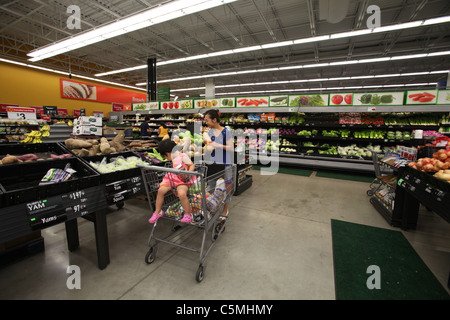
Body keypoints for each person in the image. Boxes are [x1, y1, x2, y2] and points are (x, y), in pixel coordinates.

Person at [149, 139, 196, 224]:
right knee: (160, 191)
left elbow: (192, 165)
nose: (166, 159)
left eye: (165, 157)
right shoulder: (174, 157)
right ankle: (157, 211)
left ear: (167, 153)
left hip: (183, 179)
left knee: (182, 194)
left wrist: (188, 173)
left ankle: (187, 214)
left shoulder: (183, 156)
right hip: (173, 178)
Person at [203, 109, 234, 222]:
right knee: (211, 187)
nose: (206, 122)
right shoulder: (209, 132)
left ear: (214, 119)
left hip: (225, 164)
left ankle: (225, 210)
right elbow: (208, 147)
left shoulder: (226, 132)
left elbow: (231, 148)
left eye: (207, 120)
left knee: (226, 188)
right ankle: (212, 207)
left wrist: (218, 145)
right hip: (212, 164)